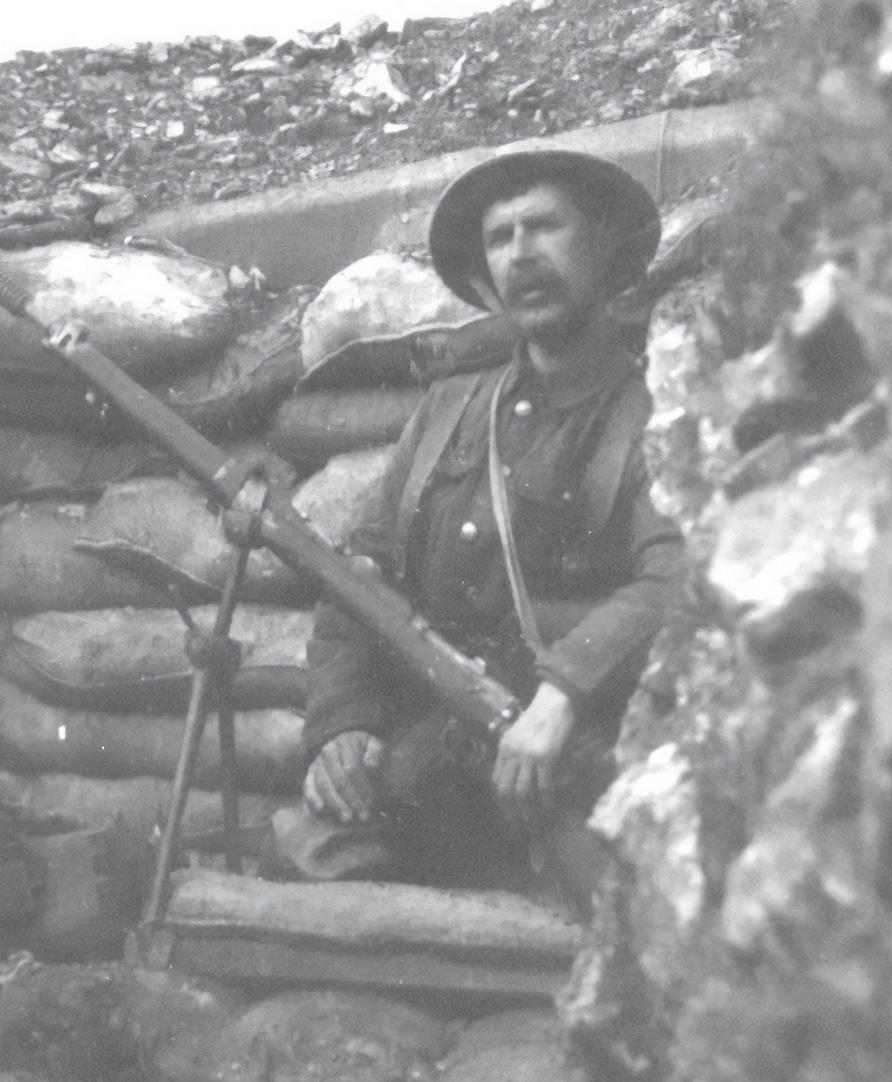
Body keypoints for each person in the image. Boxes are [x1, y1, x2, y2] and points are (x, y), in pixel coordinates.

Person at [271, 147, 686, 913]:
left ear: (603, 246)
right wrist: (342, 723)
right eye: (500, 238)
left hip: (581, 761)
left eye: (546, 227)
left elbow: (675, 576)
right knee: (320, 862)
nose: (522, 254)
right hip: (442, 759)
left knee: (640, 931)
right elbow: (361, 577)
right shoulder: (451, 409)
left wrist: (560, 698)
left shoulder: (654, 411)